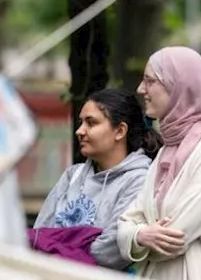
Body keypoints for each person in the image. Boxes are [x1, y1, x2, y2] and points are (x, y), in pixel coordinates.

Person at [117, 47, 201, 280]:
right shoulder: (165, 151)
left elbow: (174, 239)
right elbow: (124, 225)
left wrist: (137, 235)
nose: (141, 89)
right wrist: (140, 235)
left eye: (150, 81)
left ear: (178, 86)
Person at [33, 89, 156, 270]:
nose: (79, 131)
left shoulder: (139, 180)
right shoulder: (72, 175)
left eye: (91, 123)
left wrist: (55, 245)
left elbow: (108, 253)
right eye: (81, 122)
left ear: (120, 131)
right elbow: (38, 236)